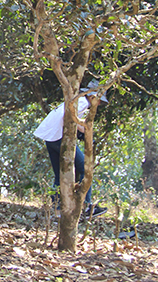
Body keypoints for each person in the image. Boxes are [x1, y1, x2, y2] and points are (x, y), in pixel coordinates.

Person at [34, 80, 108, 219]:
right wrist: (86, 129)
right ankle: (86, 206)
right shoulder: (83, 102)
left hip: (50, 137)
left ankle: (57, 212)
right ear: (92, 97)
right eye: (98, 101)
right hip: (58, 136)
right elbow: (70, 118)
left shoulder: (76, 100)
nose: (98, 105)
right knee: (85, 169)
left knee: (59, 175)